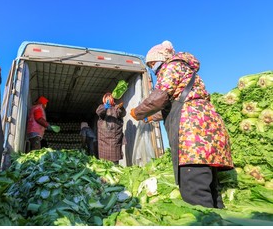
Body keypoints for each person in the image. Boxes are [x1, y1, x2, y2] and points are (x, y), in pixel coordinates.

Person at [130, 40, 233, 209]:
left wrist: (138, 112)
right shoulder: (186, 71)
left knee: (196, 195)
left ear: (161, 59)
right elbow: (175, 103)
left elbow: (160, 97)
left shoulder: (172, 66)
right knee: (212, 194)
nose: (152, 69)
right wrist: (149, 117)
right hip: (207, 140)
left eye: (152, 64)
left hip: (193, 141)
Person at [96, 93, 126, 164]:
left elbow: (123, 114)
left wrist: (121, 107)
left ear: (112, 99)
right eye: (107, 98)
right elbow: (98, 112)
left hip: (115, 138)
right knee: (104, 161)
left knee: (114, 159)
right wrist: (105, 107)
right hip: (104, 138)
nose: (108, 100)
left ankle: (115, 170)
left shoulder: (116, 107)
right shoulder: (102, 106)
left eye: (110, 98)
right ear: (104, 99)